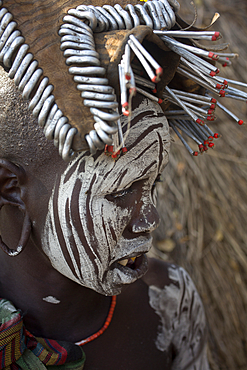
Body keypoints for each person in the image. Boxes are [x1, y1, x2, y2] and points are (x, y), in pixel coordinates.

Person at [0, 0, 210, 369]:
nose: (149, 219)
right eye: (118, 192)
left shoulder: (170, 300)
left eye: (152, 181)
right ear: (9, 187)